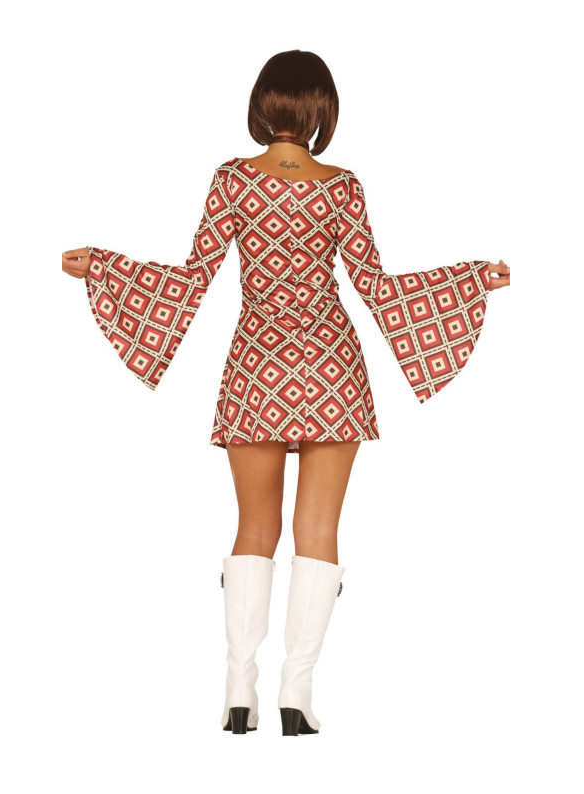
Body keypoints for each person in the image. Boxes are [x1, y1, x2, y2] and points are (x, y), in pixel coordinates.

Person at [62, 49, 510, 737]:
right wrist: (472, 280)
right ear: (322, 108)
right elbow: (376, 287)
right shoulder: (342, 186)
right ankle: (296, 693)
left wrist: (104, 268)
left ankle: (238, 692)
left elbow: (190, 279)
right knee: (319, 530)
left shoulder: (232, 180)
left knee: (253, 528)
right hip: (331, 368)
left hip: (258, 367)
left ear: (262, 104)